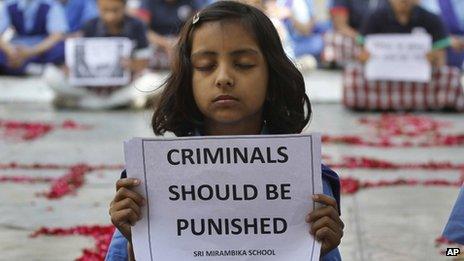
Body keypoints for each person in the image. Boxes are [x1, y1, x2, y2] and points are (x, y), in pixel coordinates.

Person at [106, 2, 344, 260]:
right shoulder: (149, 182)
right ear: (188, 80)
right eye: (206, 66)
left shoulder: (308, 182)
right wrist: (138, 244)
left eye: (243, 64)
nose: (223, 78)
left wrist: (320, 251)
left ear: (272, 76)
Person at [44, 0, 164, 109]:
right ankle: (116, 103)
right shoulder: (89, 25)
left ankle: (89, 104)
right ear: (98, 7)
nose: (110, 16)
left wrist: (131, 64)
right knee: (50, 74)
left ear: (124, 7)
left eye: (115, 10)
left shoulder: (137, 26)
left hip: (123, 86)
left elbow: (143, 61)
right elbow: (78, 58)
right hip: (92, 88)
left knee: (156, 82)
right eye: (105, 10)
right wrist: (73, 68)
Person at [358, 0, 451, 67]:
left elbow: (441, 58)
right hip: (381, 79)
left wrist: (434, 58)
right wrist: (365, 57)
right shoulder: (374, 18)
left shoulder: (432, 19)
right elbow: (361, 51)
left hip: (422, 81)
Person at [0, 0, 68, 75]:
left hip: (41, 47)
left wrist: (31, 51)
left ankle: (17, 68)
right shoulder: (9, 4)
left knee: (62, 48)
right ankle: (31, 68)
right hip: (17, 47)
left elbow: (56, 35)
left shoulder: (51, 4)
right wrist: (10, 51)